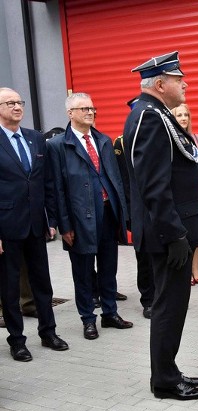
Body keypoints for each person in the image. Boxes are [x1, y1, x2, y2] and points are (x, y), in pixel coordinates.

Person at [124, 51, 198, 400]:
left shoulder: (155, 113)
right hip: (169, 232)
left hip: (173, 227)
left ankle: (169, 370)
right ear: (161, 85)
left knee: (173, 304)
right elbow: (153, 185)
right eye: (179, 79)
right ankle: (163, 380)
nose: (185, 83)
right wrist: (175, 233)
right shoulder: (149, 118)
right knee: (168, 305)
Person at [47, 93, 133, 340]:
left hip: (107, 213)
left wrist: (123, 214)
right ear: (69, 114)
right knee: (83, 273)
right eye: (83, 108)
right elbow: (57, 189)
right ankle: (88, 319)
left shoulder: (103, 140)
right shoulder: (57, 145)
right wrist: (64, 225)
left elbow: (116, 179)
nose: (89, 112)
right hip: (79, 219)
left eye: (92, 108)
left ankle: (110, 313)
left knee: (108, 267)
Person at [0, 87, 69, 361]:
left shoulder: (35, 139)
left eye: (20, 102)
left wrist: (51, 219)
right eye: (10, 103)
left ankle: (48, 332)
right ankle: (17, 340)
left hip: (36, 225)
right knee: (10, 286)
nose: (17, 107)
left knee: (42, 282)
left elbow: (47, 183)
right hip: (6, 227)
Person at [113, 97, 155, 319]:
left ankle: (164, 298)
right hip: (138, 210)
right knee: (144, 258)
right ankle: (148, 300)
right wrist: (128, 213)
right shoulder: (121, 143)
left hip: (160, 208)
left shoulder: (160, 136)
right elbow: (123, 181)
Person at [171, 103, 198, 285]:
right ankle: (185, 272)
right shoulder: (171, 140)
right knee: (185, 235)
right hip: (180, 196)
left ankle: (195, 269)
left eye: (186, 115)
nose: (183, 118)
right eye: (179, 115)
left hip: (197, 194)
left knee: (197, 235)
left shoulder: (197, 138)